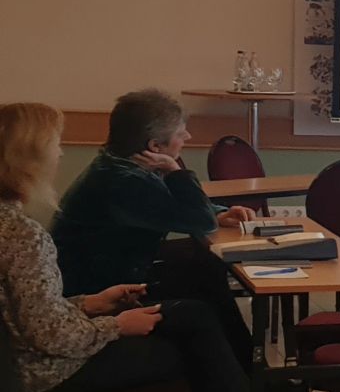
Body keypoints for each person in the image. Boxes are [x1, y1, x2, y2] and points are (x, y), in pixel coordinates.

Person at [0, 103, 315, 392]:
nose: (61, 154)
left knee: (200, 294)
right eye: (55, 145)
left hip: (57, 330)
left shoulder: (109, 173)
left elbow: (35, 312)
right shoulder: (29, 232)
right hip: (46, 369)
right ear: (28, 160)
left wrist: (89, 304)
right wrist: (117, 324)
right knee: (199, 336)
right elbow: (49, 333)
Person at [51, 89, 257, 367]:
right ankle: (246, 373)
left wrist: (218, 213)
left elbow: (175, 207)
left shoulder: (119, 165)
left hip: (115, 272)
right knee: (204, 288)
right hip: (98, 291)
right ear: (155, 146)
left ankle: (245, 370)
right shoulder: (123, 181)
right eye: (181, 133)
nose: (188, 137)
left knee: (205, 270)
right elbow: (201, 223)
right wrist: (176, 171)